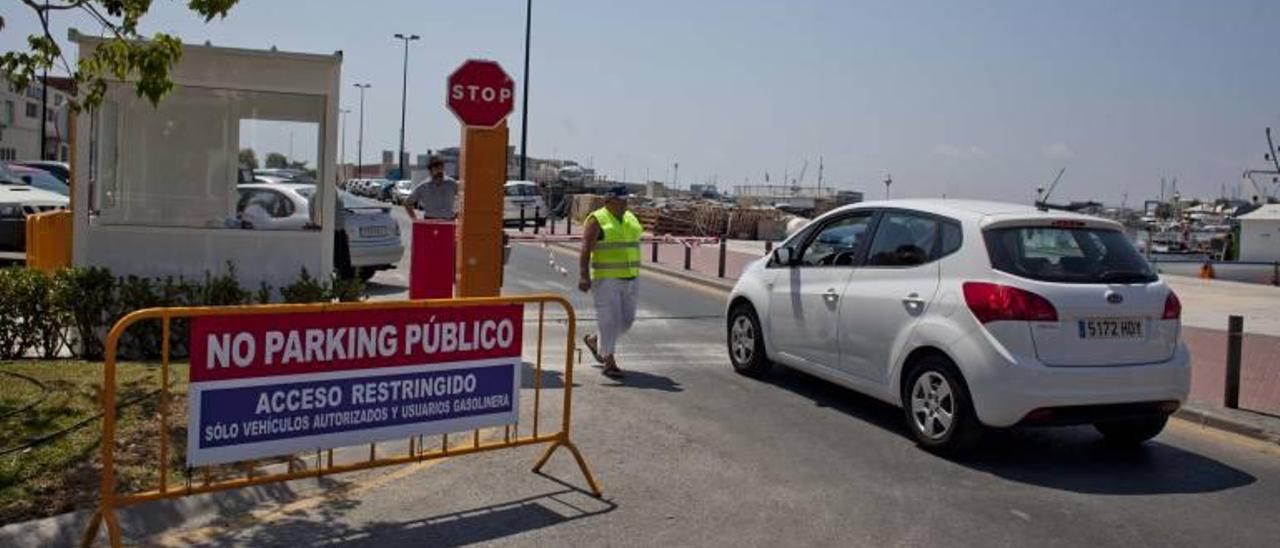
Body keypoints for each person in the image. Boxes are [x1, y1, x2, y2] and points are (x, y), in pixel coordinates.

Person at [578, 189, 642, 378]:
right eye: (621, 201)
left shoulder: (631, 218)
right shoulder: (597, 219)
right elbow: (585, 249)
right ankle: (609, 361)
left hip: (631, 277)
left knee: (626, 321)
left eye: (626, 201)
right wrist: (583, 275)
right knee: (609, 321)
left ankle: (595, 340)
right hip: (606, 279)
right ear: (609, 201)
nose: (625, 205)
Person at [403, 156, 458, 220]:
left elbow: (465, 198)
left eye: (441, 168)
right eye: (436, 169)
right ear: (430, 171)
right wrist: (414, 219)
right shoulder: (423, 187)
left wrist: (459, 213)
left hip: (449, 221)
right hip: (430, 222)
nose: (440, 171)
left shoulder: (452, 184)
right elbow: (407, 203)